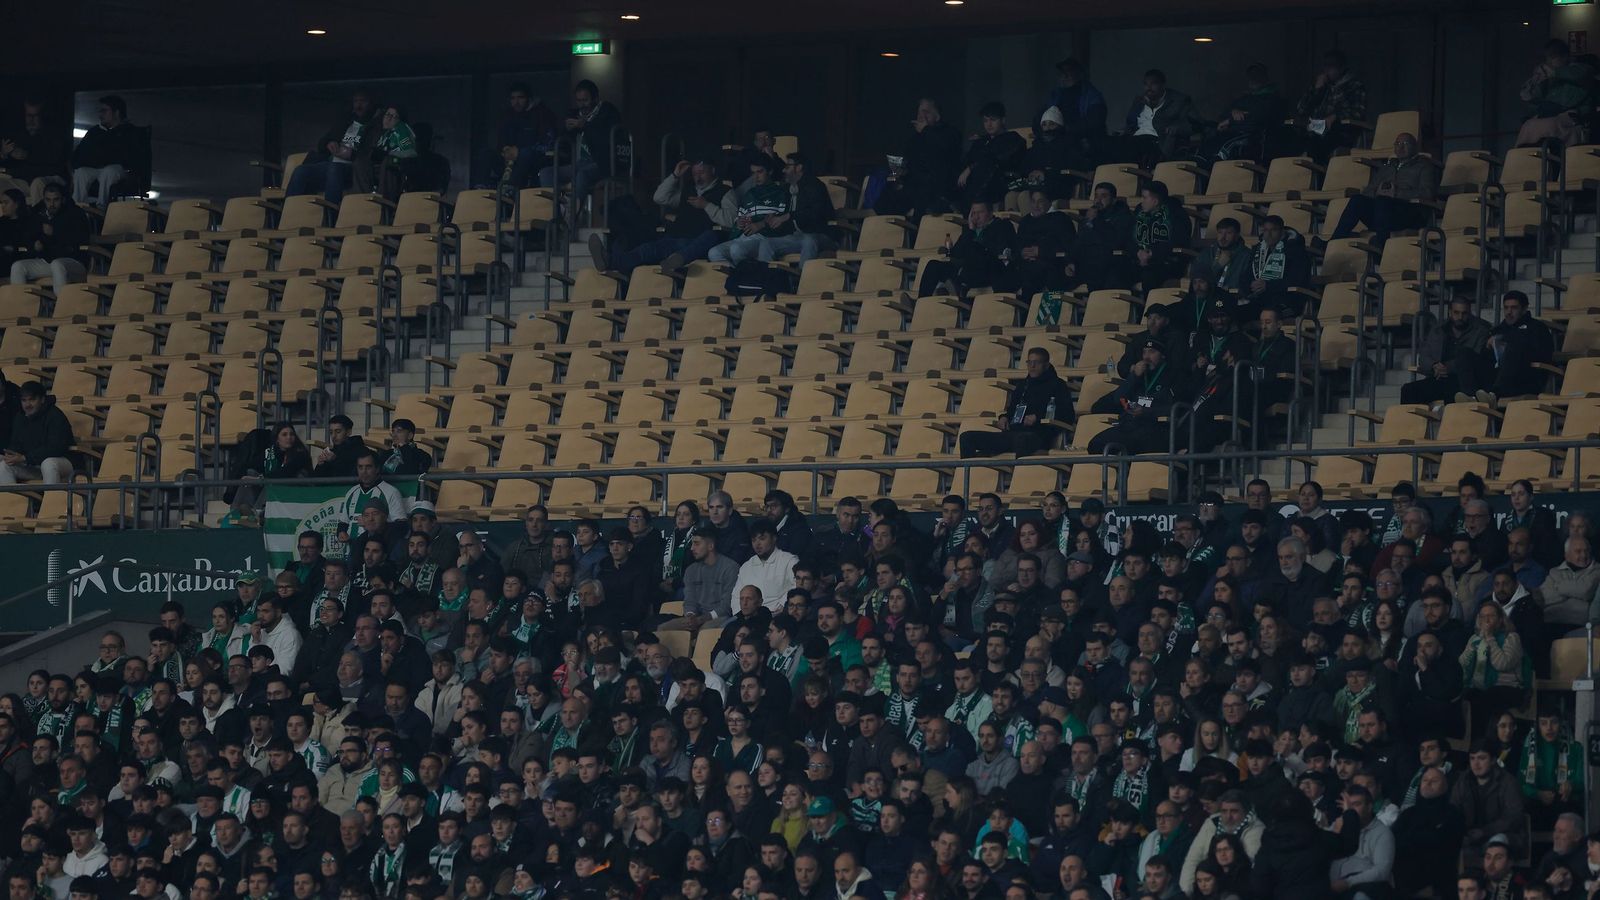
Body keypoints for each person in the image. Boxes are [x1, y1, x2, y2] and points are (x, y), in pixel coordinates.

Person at [590, 158, 737, 274]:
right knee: (647, 249)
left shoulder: (725, 191)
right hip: (676, 239)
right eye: (694, 173)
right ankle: (609, 261)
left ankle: (677, 260)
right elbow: (659, 198)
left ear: (712, 170)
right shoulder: (688, 191)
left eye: (702, 172)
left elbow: (730, 221)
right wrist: (675, 176)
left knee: (711, 235)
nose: (698, 177)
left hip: (701, 243)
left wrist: (706, 205)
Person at [959, 347, 1073, 459]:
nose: (1032, 366)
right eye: (1029, 362)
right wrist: (1003, 418)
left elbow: (1067, 415)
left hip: (1039, 435)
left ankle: (1019, 476)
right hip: (1013, 433)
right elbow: (1012, 410)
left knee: (1022, 439)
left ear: (1046, 365)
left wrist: (1038, 418)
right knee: (966, 437)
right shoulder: (1023, 385)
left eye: (1036, 362)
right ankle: (969, 474)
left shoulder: (1058, 385)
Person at [540, 79, 623, 224]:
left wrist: (586, 126)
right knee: (546, 172)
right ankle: (555, 214)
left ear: (595, 98)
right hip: (579, 162)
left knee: (582, 175)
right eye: (579, 100)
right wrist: (567, 129)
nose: (582, 104)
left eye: (585, 100)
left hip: (602, 163)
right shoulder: (574, 113)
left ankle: (571, 219)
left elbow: (607, 139)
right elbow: (563, 143)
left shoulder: (608, 112)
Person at [1331, 133, 1437, 244]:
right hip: (1383, 213)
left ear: (1414, 147)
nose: (1400, 147)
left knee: (1383, 200)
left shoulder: (1424, 166)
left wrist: (1396, 193)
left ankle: (1381, 245)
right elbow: (1368, 191)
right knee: (1357, 200)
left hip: (1409, 213)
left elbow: (1427, 193)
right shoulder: (1387, 167)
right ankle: (1333, 242)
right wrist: (1377, 192)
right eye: (1397, 144)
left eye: (1405, 144)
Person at [1455, 290, 1555, 403]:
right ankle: (1470, 396)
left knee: (1514, 345)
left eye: (1514, 308)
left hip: (1524, 378)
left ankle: (1494, 394)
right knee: (1464, 353)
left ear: (1524, 308)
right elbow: (1486, 359)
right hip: (1495, 376)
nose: (1509, 312)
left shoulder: (1537, 328)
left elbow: (1543, 355)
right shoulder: (1498, 330)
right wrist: (1487, 347)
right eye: (1506, 308)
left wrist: (1507, 340)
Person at [1087, 339, 1182, 456]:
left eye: (1152, 352)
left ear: (1162, 355)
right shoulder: (1138, 377)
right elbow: (1117, 400)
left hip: (1155, 428)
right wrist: (1134, 377)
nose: (1146, 357)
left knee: (1130, 445)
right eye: (1144, 352)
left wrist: (1145, 412)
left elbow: (1177, 408)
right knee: (1095, 444)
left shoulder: (1172, 376)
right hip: (1129, 426)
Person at [286, 89, 379, 204]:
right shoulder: (346, 120)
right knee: (301, 171)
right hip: (333, 163)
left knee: (334, 168)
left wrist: (352, 154)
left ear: (371, 103)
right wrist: (329, 143)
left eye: (363, 101)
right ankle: (288, 213)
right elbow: (322, 143)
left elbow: (373, 151)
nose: (359, 105)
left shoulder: (376, 124)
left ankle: (331, 214)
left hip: (354, 168)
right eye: (356, 101)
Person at [1401, 296, 1493, 404]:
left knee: (1452, 392)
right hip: (1438, 377)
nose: (1460, 317)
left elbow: (1475, 358)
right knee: (1408, 390)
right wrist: (1434, 365)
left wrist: (1447, 368)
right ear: (1450, 312)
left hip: (1463, 380)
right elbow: (1423, 357)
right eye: (1456, 313)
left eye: (1464, 313)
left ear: (1469, 313)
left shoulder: (1480, 330)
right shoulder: (1438, 330)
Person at [917, 200, 1016, 298]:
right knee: (933, 265)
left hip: (989, 269)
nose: (976, 217)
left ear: (990, 213)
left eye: (981, 212)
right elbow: (956, 254)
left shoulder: (1002, 225)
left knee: (974, 248)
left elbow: (1000, 251)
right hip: (965, 270)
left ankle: (956, 286)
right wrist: (971, 230)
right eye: (973, 213)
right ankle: (920, 303)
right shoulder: (969, 230)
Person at [708, 158, 792, 265]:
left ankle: (748, 277)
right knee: (714, 252)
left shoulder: (781, 193)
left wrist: (761, 224)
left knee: (736, 249)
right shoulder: (749, 194)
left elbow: (783, 221)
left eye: (760, 172)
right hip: (744, 237)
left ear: (770, 171)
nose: (756, 177)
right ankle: (737, 277)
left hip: (765, 238)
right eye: (753, 173)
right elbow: (740, 220)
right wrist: (739, 223)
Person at [8, 182, 90, 292]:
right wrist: (34, 245)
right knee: (18, 267)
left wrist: (55, 232)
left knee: (57, 264)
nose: (52, 204)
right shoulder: (38, 213)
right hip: (47, 261)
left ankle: (62, 306)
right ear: (44, 199)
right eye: (48, 200)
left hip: (74, 261)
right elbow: (27, 237)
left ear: (63, 199)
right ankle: (21, 306)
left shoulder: (75, 213)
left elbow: (80, 240)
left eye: (56, 200)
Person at [1195, 64, 1285, 164]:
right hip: (1231, 132)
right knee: (1208, 143)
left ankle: (1215, 166)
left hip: (1254, 138)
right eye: (1251, 75)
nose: (1253, 79)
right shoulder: (1244, 98)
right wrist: (1233, 112)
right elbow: (1224, 114)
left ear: (1265, 77)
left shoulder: (1272, 98)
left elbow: (1259, 118)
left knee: (1225, 148)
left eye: (1257, 75)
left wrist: (1230, 120)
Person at [1516, 39, 1597, 148]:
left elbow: (1579, 75)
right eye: (1548, 58)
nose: (1549, 62)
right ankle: (1525, 158)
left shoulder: (1581, 69)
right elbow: (1538, 102)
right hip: (1551, 115)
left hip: (1573, 118)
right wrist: (1532, 90)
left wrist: (1554, 73)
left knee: (1542, 126)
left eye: (1553, 57)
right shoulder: (1550, 80)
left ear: (1565, 56)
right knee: (1528, 125)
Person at [757, 152, 834, 265]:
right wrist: (773, 217)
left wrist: (788, 216)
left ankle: (803, 281)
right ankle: (766, 281)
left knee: (809, 240)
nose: (784, 170)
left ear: (799, 167)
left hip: (822, 236)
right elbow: (781, 214)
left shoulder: (815, 186)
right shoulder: (787, 188)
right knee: (766, 243)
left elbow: (815, 214)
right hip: (797, 237)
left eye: (787, 166)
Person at [483, 82, 559, 189]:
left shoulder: (542, 114)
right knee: (486, 154)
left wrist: (519, 151)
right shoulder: (507, 116)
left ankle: (510, 189)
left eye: (520, 98)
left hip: (534, 161)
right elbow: (501, 141)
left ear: (529, 98)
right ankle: (481, 188)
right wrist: (505, 150)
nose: (516, 102)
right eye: (513, 98)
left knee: (525, 154)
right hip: (508, 161)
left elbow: (548, 145)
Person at [1117, 70, 1202, 167]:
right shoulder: (1139, 101)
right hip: (1135, 140)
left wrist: (1177, 127)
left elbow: (1197, 123)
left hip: (1159, 142)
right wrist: (1124, 131)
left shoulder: (1179, 100)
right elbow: (1130, 123)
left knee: (1131, 146)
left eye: (1153, 84)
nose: (1148, 88)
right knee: (1112, 144)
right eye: (1145, 84)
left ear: (1163, 85)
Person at [1295, 51, 1367, 162]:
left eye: (1331, 66)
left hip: (1339, 132)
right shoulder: (1322, 85)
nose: (1326, 70)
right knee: (1291, 140)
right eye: (1325, 66)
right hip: (1315, 129)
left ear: (1341, 67)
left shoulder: (1354, 86)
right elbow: (1301, 109)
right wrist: (1316, 90)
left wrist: (1335, 117)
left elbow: (1358, 112)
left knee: (1317, 145)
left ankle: (1318, 177)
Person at [70, 95, 142, 208]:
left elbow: (130, 157)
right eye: (100, 111)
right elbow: (78, 155)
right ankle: (77, 206)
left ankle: (102, 207)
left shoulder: (129, 132)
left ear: (117, 113)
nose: (100, 114)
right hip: (95, 168)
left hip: (118, 169)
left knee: (108, 171)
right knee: (81, 173)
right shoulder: (94, 132)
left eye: (104, 111)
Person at [1065, 181, 1135, 292]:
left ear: (1113, 200)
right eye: (1096, 196)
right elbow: (1079, 241)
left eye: (1104, 196)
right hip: (1090, 264)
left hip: (1112, 264)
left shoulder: (1123, 217)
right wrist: (1071, 261)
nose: (1098, 200)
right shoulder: (1090, 217)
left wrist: (1096, 221)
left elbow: (1115, 241)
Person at [0, 380, 74, 484]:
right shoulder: (20, 417)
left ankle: (51, 500)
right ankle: (14, 500)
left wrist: (25, 457)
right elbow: (16, 444)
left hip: (64, 462)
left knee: (48, 464)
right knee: (4, 465)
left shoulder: (55, 415)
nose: (27, 404)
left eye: (32, 400)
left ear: (42, 399)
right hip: (33, 464)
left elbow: (56, 448)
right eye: (24, 400)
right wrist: (10, 455)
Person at [958, 102, 1026, 205]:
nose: (989, 124)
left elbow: (1000, 159)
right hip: (977, 184)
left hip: (1001, 182)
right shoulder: (982, 141)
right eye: (985, 121)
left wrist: (970, 168)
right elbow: (968, 159)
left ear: (1003, 120)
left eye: (993, 120)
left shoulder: (1013, 138)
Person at [1131, 181, 1192, 292]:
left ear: (1155, 201)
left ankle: (1148, 308)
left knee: (1149, 276)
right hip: (1140, 260)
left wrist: (1152, 253)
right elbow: (1130, 237)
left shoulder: (1177, 215)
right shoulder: (1139, 212)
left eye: (1145, 198)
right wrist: (1137, 252)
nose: (1142, 201)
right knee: (1117, 273)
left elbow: (1179, 242)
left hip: (1168, 262)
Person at [1246, 216, 1312, 316]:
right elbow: (1245, 276)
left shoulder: (1296, 251)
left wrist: (1267, 286)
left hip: (1286, 301)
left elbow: (1297, 280)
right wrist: (1251, 285)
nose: (1268, 235)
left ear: (1282, 232)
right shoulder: (1257, 251)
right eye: (1265, 230)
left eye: (1273, 230)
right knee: (1230, 310)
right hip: (1259, 300)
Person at [373, 105, 420, 201]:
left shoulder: (401, 129)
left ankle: (384, 202)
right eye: (387, 114)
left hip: (397, 168)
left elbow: (411, 153)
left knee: (388, 161)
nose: (388, 118)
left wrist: (390, 154)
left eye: (393, 116)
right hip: (379, 168)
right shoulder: (385, 133)